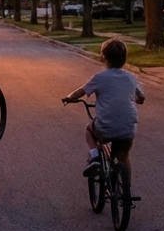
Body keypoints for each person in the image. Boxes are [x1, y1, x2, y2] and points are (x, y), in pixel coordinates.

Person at [62, 38, 145, 177]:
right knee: (123, 156)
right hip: (128, 127)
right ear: (124, 58)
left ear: (103, 57)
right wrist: (134, 99)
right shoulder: (131, 77)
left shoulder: (100, 77)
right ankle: (126, 194)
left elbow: (81, 91)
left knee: (89, 130)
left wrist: (69, 98)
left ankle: (94, 157)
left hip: (106, 126)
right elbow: (141, 97)